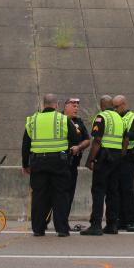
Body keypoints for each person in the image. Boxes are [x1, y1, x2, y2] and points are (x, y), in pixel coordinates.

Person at [22, 94, 79, 236]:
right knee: (61, 195)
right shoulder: (63, 119)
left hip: (38, 163)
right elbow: (75, 138)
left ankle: (38, 229)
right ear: (56, 105)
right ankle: (62, 229)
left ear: (43, 104)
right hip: (59, 162)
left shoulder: (32, 120)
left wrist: (25, 164)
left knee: (39, 196)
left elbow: (25, 145)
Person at [80, 94, 126, 236]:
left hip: (104, 158)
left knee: (98, 190)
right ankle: (112, 225)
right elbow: (126, 141)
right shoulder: (120, 118)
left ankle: (96, 225)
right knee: (113, 191)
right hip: (117, 158)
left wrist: (90, 160)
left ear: (102, 105)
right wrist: (120, 157)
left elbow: (97, 141)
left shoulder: (101, 117)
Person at [113, 95, 134, 232]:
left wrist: (119, 133)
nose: (115, 109)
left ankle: (133, 220)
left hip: (130, 156)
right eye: (113, 106)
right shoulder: (115, 117)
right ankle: (122, 220)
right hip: (118, 156)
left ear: (124, 104)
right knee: (118, 188)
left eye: (117, 106)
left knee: (127, 188)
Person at [63, 97, 92, 219]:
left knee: (69, 192)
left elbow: (87, 140)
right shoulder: (58, 120)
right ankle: (45, 220)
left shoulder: (79, 122)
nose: (76, 108)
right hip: (58, 163)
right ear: (66, 106)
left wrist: (79, 147)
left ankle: (63, 220)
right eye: (73, 105)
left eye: (77, 106)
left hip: (72, 163)